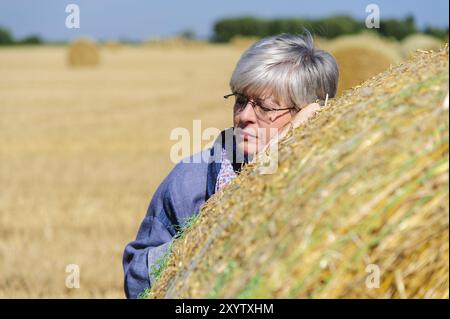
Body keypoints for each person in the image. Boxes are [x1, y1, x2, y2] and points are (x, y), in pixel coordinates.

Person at [122, 31, 339, 298]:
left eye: (266, 107)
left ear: (306, 115)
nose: (245, 116)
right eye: (240, 100)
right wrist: (214, 228)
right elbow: (137, 280)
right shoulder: (191, 181)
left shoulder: (332, 185)